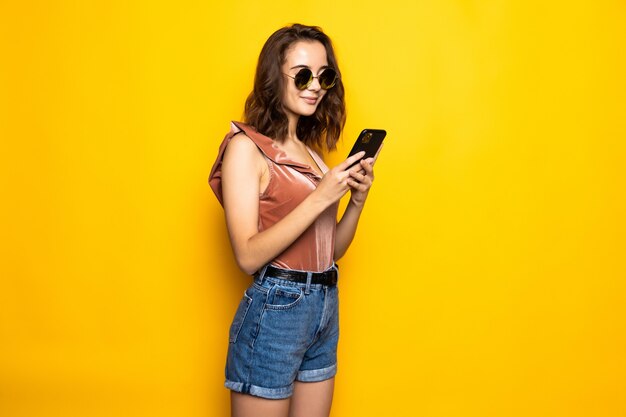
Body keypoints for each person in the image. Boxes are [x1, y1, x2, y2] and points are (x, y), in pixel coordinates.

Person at [208, 23, 381, 417]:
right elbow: (248, 256)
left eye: (325, 76)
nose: (315, 85)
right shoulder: (245, 149)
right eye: (303, 74)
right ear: (274, 78)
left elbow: (328, 251)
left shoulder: (314, 156)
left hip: (324, 304)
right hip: (276, 309)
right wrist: (321, 196)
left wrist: (356, 200)